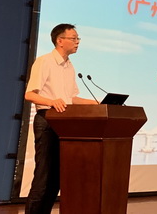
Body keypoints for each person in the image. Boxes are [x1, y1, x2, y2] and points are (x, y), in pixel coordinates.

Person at [24, 23, 98, 214]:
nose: (77, 42)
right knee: (43, 176)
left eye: (78, 38)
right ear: (60, 40)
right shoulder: (44, 61)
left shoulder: (69, 66)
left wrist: (95, 103)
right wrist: (51, 101)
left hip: (65, 123)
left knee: (56, 178)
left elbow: (70, 98)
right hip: (47, 120)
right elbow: (30, 94)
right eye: (74, 38)